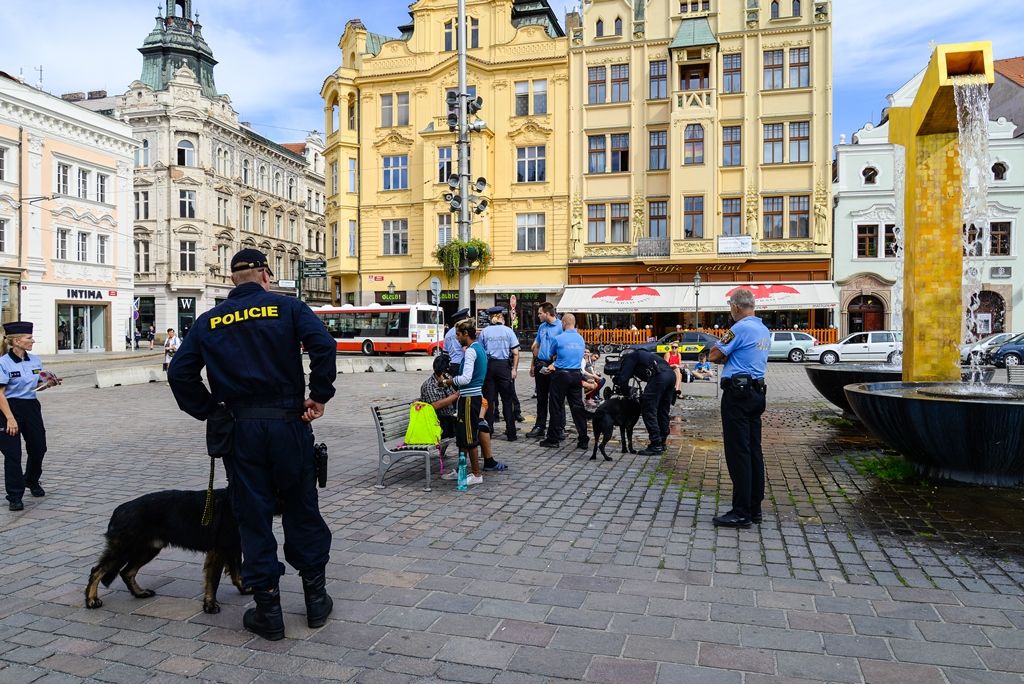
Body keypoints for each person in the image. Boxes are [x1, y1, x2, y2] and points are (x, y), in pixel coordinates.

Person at [167, 248, 337, 640]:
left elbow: (180, 373)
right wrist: (320, 394)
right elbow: (323, 346)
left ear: (232, 279)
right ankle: (315, 601)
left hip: (240, 429)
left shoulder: (209, 321)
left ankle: (268, 611)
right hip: (288, 424)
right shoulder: (287, 308)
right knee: (301, 508)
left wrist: (210, 410)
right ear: (266, 274)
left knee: (252, 516)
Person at [709, 288, 770, 528]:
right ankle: (754, 508)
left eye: (730, 308)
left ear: (735, 307)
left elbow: (715, 354)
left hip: (738, 396)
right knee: (754, 451)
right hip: (757, 392)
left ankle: (741, 511)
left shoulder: (739, 328)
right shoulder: (763, 329)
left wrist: (724, 356)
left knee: (738, 453)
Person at [0, 322, 61, 512]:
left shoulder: (35, 360)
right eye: (29, 338)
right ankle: (15, 496)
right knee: (13, 455)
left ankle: (31, 480)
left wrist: (48, 383)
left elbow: (37, 384)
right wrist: (10, 418)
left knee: (39, 447)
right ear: (16, 341)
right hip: (7, 409)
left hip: (31, 406)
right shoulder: (3, 363)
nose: (32, 341)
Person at [438, 319, 487, 485]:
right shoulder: (479, 349)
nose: (457, 338)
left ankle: (476, 473)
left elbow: (466, 378)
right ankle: (462, 469)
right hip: (470, 397)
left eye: (458, 335)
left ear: (466, 334)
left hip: (469, 398)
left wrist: (447, 382)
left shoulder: (471, 352)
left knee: (469, 436)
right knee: (462, 437)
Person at [540, 313, 589, 450]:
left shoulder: (558, 338)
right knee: (577, 407)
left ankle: (553, 438)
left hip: (561, 375)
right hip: (576, 375)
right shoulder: (580, 339)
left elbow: (551, 355)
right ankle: (583, 438)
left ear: (564, 323)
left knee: (556, 406)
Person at [614, 348, 675, 455]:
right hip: (671, 375)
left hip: (659, 377)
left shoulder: (630, 357)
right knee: (663, 410)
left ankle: (656, 444)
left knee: (648, 409)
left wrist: (626, 394)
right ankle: (662, 441)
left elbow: (624, 379)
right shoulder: (646, 355)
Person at [479, 307, 520, 443]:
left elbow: (481, 352)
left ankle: (488, 431)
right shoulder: (508, 331)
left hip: (490, 367)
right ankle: (511, 433)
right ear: (501, 316)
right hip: (504, 367)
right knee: (507, 401)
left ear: (490, 317)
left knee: (489, 402)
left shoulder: (485, 332)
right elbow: (515, 352)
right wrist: (514, 369)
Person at [526, 302, 562, 439]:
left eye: (540, 313)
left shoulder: (561, 327)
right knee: (541, 397)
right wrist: (532, 365)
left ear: (547, 313)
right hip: (541, 364)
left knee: (556, 398)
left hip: (555, 365)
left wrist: (556, 364)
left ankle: (558, 428)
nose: (538, 315)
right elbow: (536, 346)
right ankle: (540, 426)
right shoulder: (542, 327)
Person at [420, 354, 459, 439]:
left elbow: (453, 394)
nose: (448, 376)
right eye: (446, 372)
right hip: (437, 421)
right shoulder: (429, 385)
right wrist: (456, 395)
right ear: (442, 372)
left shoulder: (446, 380)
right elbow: (435, 405)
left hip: (449, 418)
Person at [444, 307, 470, 377]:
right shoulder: (466, 332)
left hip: (453, 365)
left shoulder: (448, 334)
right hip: (465, 364)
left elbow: (445, 353)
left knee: (455, 386)